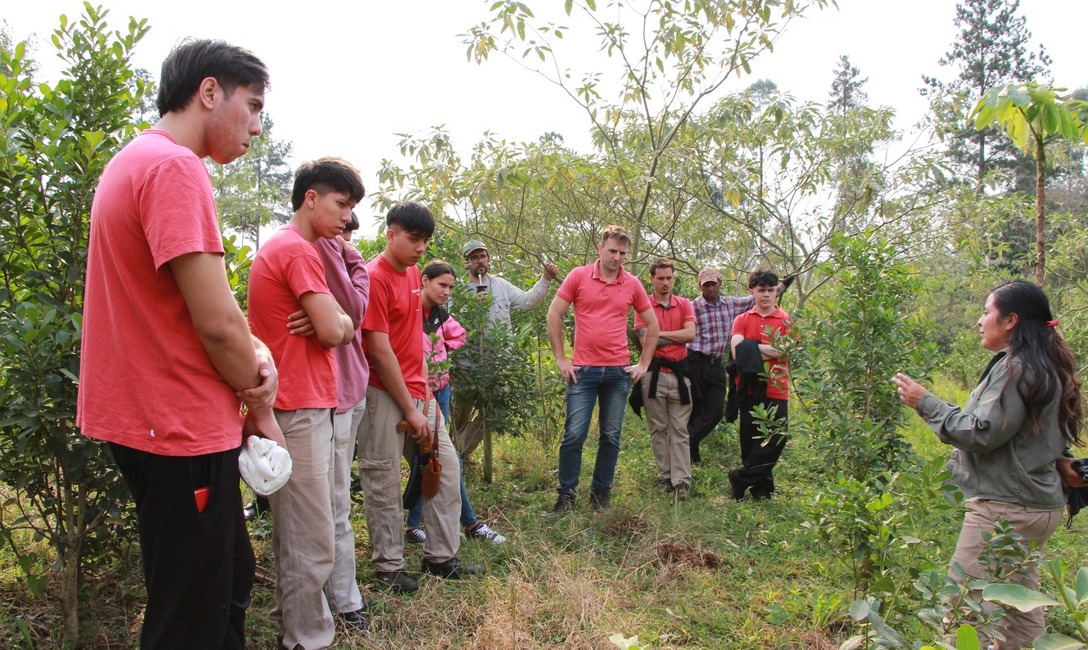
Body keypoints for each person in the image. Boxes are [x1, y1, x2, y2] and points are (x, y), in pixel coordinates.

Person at [77, 39, 282, 649]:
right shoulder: (173, 166)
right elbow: (216, 323)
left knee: (226, 575)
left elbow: (192, 306)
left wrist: (252, 353)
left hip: (152, 418)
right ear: (209, 91)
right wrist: (261, 398)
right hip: (176, 423)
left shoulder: (133, 161)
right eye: (252, 106)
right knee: (191, 611)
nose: (256, 128)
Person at [893, 280, 1082, 649]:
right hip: (1034, 505)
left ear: (1010, 320)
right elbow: (1033, 437)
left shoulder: (1019, 368)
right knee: (1018, 610)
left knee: (964, 607)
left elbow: (980, 433)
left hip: (1005, 510)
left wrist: (925, 402)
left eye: (986, 311)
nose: (979, 321)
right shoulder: (1045, 364)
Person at [248, 157, 363, 649]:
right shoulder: (297, 252)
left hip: (301, 402)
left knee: (298, 530)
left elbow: (345, 324)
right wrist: (332, 321)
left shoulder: (295, 248)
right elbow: (336, 328)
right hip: (297, 405)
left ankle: (295, 623)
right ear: (310, 199)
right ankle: (305, 638)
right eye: (341, 204)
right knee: (310, 536)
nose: (346, 218)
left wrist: (334, 321)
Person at [359, 203, 481, 595]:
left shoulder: (414, 274)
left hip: (418, 390)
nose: (419, 248)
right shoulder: (375, 277)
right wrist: (411, 408)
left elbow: (414, 340)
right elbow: (379, 349)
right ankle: (389, 567)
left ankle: (440, 557)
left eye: (425, 241)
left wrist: (424, 392)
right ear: (390, 234)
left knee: (444, 468)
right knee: (383, 478)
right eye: (413, 239)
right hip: (382, 392)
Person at [546, 225, 659, 515]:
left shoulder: (632, 283)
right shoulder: (579, 276)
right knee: (574, 435)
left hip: (618, 372)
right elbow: (554, 314)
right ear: (600, 249)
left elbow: (652, 324)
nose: (617, 257)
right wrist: (561, 358)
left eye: (622, 253)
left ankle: (600, 495)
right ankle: (566, 496)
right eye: (612, 251)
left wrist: (644, 363)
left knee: (611, 435)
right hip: (583, 371)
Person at [404, 261, 507, 545]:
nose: (447, 291)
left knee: (432, 457)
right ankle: (468, 524)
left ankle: (414, 526)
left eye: (450, 286)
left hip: (441, 390)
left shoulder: (439, 315)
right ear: (424, 281)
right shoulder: (408, 312)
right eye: (442, 285)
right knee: (434, 459)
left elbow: (459, 335)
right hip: (412, 394)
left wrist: (443, 348)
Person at [309, 210, 370, 633]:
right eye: (343, 217)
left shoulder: (337, 250)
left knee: (335, 502)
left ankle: (341, 599)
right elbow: (353, 309)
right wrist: (355, 262)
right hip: (328, 394)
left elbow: (350, 318)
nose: (347, 231)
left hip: (349, 388)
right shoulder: (317, 247)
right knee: (328, 505)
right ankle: (340, 604)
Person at [687, 268, 790, 465]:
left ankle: (681, 443)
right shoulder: (691, 307)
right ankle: (690, 452)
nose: (710, 288)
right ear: (699, 286)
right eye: (706, 284)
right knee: (695, 409)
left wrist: (784, 285)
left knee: (716, 411)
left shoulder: (731, 304)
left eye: (713, 283)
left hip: (716, 363)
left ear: (720, 283)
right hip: (695, 361)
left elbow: (761, 294)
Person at [633, 258, 696, 498]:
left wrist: (657, 334)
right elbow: (643, 338)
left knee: (680, 429)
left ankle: (682, 481)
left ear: (674, 278)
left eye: (669, 277)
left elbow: (690, 334)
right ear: (652, 279)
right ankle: (665, 477)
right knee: (658, 428)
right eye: (660, 278)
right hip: (654, 375)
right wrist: (665, 336)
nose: (665, 282)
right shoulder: (643, 305)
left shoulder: (684, 305)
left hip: (681, 374)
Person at [728, 269, 792, 501]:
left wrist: (751, 348)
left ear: (776, 291)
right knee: (751, 438)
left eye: (771, 290)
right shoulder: (742, 319)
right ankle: (761, 489)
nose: (766, 295)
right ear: (752, 292)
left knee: (775, 438)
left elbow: (785, 350)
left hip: (777, 387)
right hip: (747, 387)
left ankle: (740, 477)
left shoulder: (786, 320)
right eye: (761, 290)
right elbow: (737, 352)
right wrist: (765, 351)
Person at [462, 238, 559, 328]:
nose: (480, 261)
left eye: (483, 256)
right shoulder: (459, 289)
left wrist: (546, 278)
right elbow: (450, 320)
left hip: (503, 346)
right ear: (466, 263)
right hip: (472, 346)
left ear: (488, 258)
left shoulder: (500, 285)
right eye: (474, 258)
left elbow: (528, 300)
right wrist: (472, 307)